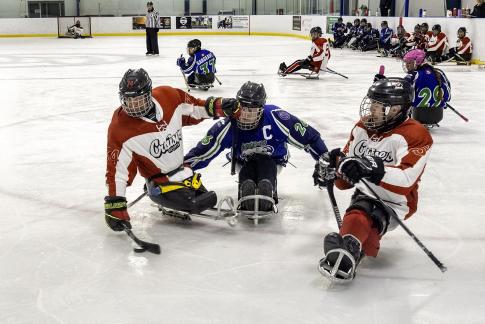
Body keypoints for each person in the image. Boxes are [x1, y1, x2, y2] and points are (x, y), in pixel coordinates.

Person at [315, 77, 433, 282]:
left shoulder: (416, 134)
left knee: (363, 213)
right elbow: (345, 181)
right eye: (372, 104)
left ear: (398, 109)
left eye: (380, 106)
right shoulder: (362, 128)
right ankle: (351, 250)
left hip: (397, 201)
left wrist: (370, 168)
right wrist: (333, 170)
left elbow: (406, 180)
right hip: (365, 193)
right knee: (361, 219)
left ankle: (349, 248)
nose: (372, 110)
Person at [104, 68, 241, 232]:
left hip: (183, 172)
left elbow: (194, 108)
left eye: (138, 100)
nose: (133, 106)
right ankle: (156, 192)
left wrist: (219, 106)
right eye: (128, 100)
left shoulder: (168, 96)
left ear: (149, 94)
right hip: (160, 182)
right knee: (200, 202)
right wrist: (115, 205)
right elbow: (118, 171)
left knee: (207, 198)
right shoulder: (119, 128)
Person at [184, 81, 329, 212]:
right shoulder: (228, 124)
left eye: (251, 110)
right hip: (244, 162)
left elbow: (310, 137)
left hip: (274, 160)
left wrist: (324, 161)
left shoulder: (276, 117)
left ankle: (268, 188)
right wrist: (181, 170)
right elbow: (203, 152)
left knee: (266, 165)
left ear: (261, 109)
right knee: (248, 170)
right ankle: (247, 188)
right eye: (243, 108)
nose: (246, 115)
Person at [402, 49, 451, 127]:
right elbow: (447, 97)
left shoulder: (414, 74)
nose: (407, 65)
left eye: (410, 63)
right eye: (406, 63)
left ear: (417, 62)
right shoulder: (439, 73)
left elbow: (400, 89)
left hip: (417, 116)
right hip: (437, 116)